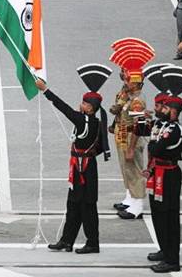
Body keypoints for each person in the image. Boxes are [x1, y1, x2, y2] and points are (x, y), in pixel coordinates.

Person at [39, 67, 110, 255]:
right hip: (84, 166)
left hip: (84, 169)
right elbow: (101, 147)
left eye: (84, 103)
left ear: (90, 107)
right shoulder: (96, 122)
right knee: (73, 204)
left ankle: (93, 243)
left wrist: (46, 91)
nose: (81, 105)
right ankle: (67, 241)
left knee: (87, 206)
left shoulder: (84, 121)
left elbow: (64, 108)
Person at [146, 95, 182, 273]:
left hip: (169, 174)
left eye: (165, 109)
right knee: (157, 213)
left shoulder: (174, 129)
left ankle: (172, 259)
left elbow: (155, 148)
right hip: (157, 171)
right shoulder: (163, 125)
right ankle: (164, 249)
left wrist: (153, 142)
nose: (161, 111)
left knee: (169, 216)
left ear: (174, 112)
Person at [110, 74, 148, 219]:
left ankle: (137, 206)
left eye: (129, 80)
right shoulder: (129, 96)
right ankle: (131, 199)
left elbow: (139, 125)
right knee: (126, 169)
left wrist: (131, 148)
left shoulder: (137, 101)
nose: (125, 82)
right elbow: (119, 112)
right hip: (123, 137)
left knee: (135, 171)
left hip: (132, 139)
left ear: (136, 83)